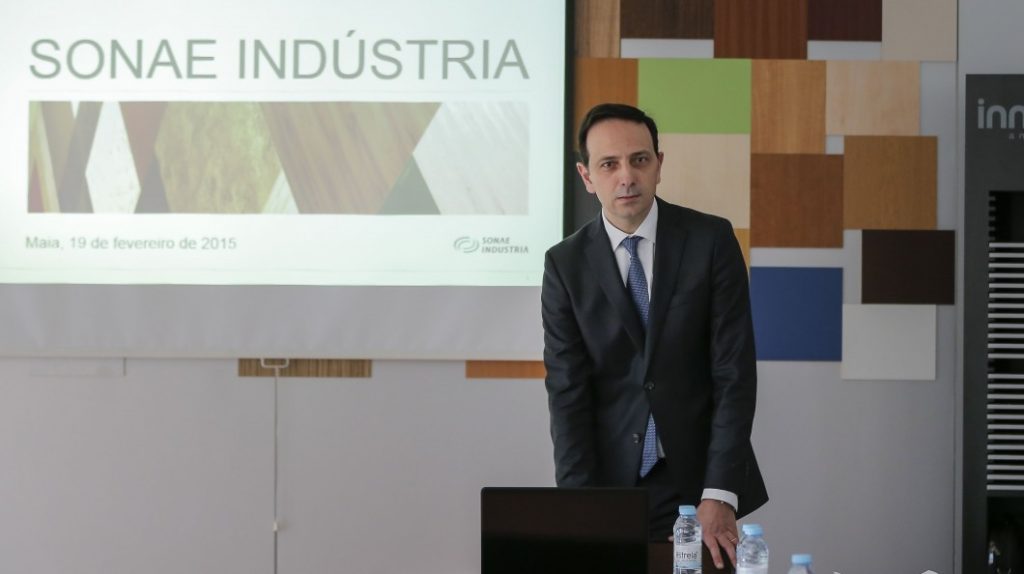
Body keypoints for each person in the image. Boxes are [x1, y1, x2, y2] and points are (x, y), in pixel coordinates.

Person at [542, 103, 768, 570]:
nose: (626, 177)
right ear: (587, 176)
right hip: (610, 487)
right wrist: (579, 507)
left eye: (639, 160)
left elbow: (734, 375)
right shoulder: (564, 265)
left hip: (700, 485)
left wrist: (719, 492)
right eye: (609, 164)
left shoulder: (711, 241)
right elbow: (568, 393)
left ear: (659, 165)